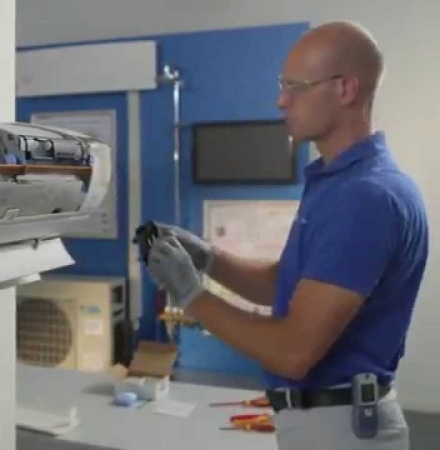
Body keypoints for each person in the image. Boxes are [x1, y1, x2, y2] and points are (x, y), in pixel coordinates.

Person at [143, 20, 427, 450]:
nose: (280, 100)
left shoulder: (365, 196)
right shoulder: (336, 183)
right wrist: (206, 259)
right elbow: (284, 284)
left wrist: (190, 295)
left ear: (345, 89)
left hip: (339, 429)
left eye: (296, 86)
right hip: (326, 422)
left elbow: (292, 353)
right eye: (283, 85)